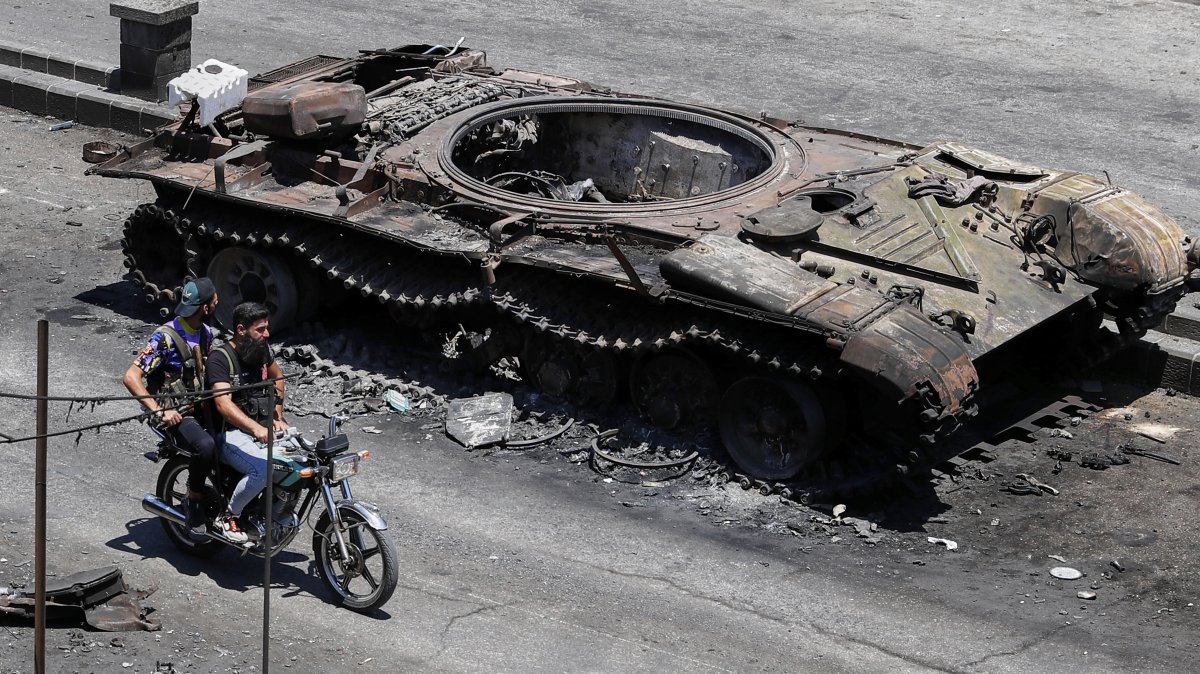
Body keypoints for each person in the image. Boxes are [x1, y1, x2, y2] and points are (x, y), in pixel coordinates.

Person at [124, 277, 219, 533]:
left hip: (199, 405)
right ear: (207, 307)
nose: (216, 304)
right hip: (174, 413)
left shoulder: (205, 333)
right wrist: (159, 410)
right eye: (214, 301)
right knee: (206, 445)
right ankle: (195, 498)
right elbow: (131, 376)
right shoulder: (163, 338)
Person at [205, 301, 290, 543]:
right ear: (241, 330)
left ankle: (273, 513)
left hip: (260, 427)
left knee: (302, 460)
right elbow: (223, 404)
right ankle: (229, 515)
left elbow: (279, 378)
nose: (267, 334)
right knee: (263, 469)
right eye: (260, 329)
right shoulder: (220, 359)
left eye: (266, 328)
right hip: (229, 433)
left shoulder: (261, 350)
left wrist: (277, 415)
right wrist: (256, 428)